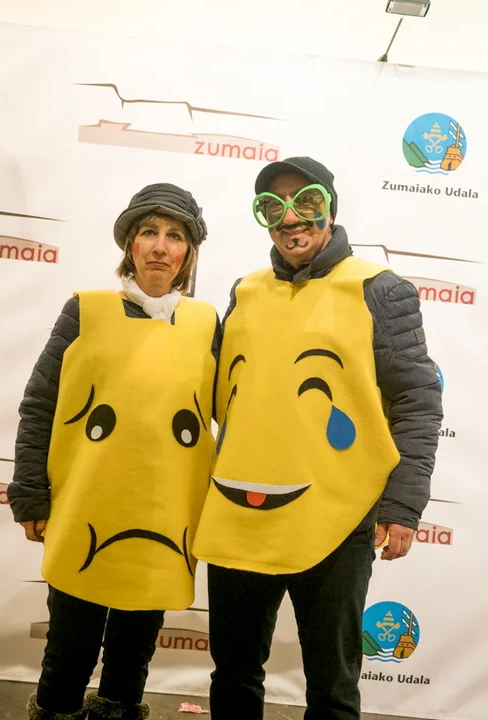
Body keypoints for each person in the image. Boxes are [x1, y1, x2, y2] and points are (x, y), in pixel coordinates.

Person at [193, 157, 443, 720]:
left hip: (338, 519)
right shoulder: (245, 291)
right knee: (233, 675)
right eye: (272, 207)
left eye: (305, 201)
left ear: (330, 208)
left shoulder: (379, 289)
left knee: (332, 689)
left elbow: (417, 400)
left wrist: (402, 506)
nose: (290, 218)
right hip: (241, 510)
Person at [8, 183, 221, 720]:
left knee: (133, 652)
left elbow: (234, 414)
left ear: (189, 253)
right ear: (130, 244)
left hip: (163, 520)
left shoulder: (205, 324)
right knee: (70, 646)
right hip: (86, 510)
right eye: (149, 232)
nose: (160, 246)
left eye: (175, 236)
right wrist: (30, 492)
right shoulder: (86, 311)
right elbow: (40, 404)